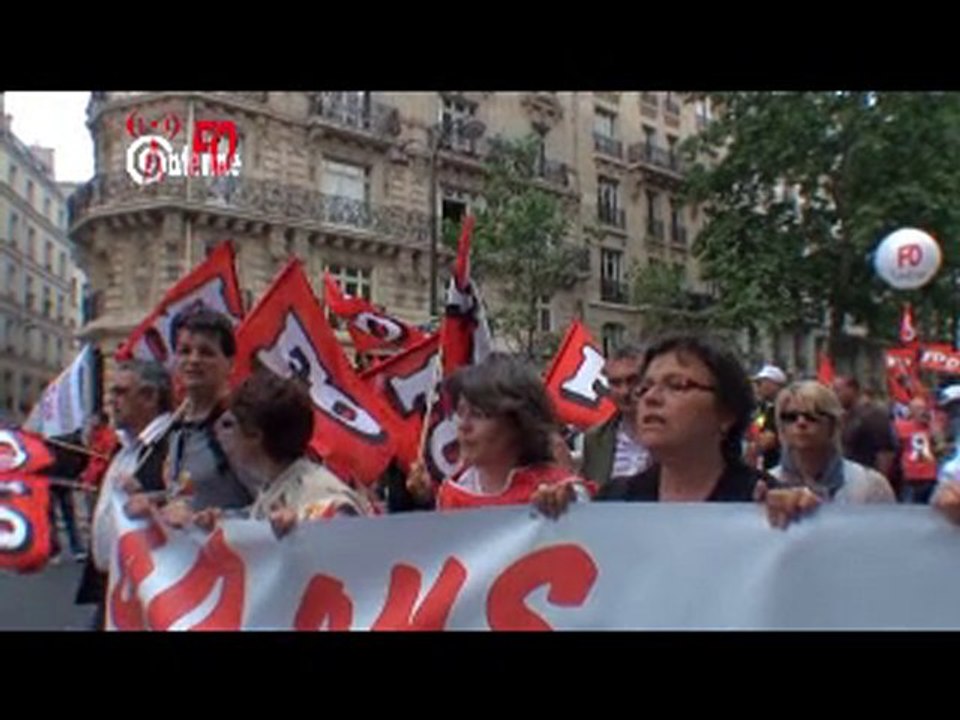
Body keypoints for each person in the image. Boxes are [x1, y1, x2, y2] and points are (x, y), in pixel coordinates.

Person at [535, 334, 769, 517]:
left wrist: (798, 518)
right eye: (645, 387)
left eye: (676, 385)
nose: (650, 398)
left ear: (726, 413)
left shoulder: (766, 501)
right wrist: (566, 517)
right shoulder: (615, 500)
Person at [161, 372, 371, 536]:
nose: (221, 434)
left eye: (229, 425)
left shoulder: (325, 501)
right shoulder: (275, 488)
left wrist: (303, 536)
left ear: (254, 434)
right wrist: (214, 522)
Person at [407, 354, 591, 510]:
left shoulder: (562, 495)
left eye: (478, 414)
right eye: (461, 413)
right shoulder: (451, 492)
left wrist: (566, 520)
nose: (464, 426)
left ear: (518, 424)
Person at [83, 360, 174, 630]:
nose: (111, 401)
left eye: (120, 392)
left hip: (150, 593)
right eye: (111, 392)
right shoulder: (124, 447)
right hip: (112, 588)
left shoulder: (174, 445)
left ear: (149, 397)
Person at [758, 381, 895, 528]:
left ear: (833, 424)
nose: (801, 423)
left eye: (812, 415)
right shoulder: (763, 487)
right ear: (781, 427)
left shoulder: (870, 485)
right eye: (790, 417)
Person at [158, 308, 254, 512]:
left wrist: (218, 520)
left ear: (230, 363)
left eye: (206, 352)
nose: (193, 360)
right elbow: (185, 493)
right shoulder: (177, 428)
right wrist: (149, 501)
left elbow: (275, 505)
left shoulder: (244, 426)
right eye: (185, 351)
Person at [580, 344, 651, 488]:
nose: (624, 391)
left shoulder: (676, 433)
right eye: (615, 383)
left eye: (633, 380)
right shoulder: (596, 439)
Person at [834, 375, 898, 481]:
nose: (834, 395)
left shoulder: (874, 414)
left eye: (838, 390)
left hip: (868, 478)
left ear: (852, 390)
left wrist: (879, 480)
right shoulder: (847, 415)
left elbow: (885, 451)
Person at [893, 396, 938, 504]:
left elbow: (940, 446)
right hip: (911, 477)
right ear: (911, 411)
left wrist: (932, 426)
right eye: (918, 408)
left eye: (923, 408)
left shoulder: (932, 427)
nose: (922, 411)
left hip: (930, 476)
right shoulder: (900, 426)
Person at [746, 364, 787, 470]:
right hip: (767, 465)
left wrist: (753, 448)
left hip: (781, 464)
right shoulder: (764, 408)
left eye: (761, 383)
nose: (758, 387)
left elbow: (769, 440)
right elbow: (755, 429)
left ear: (774, 384)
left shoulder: (783, 407)